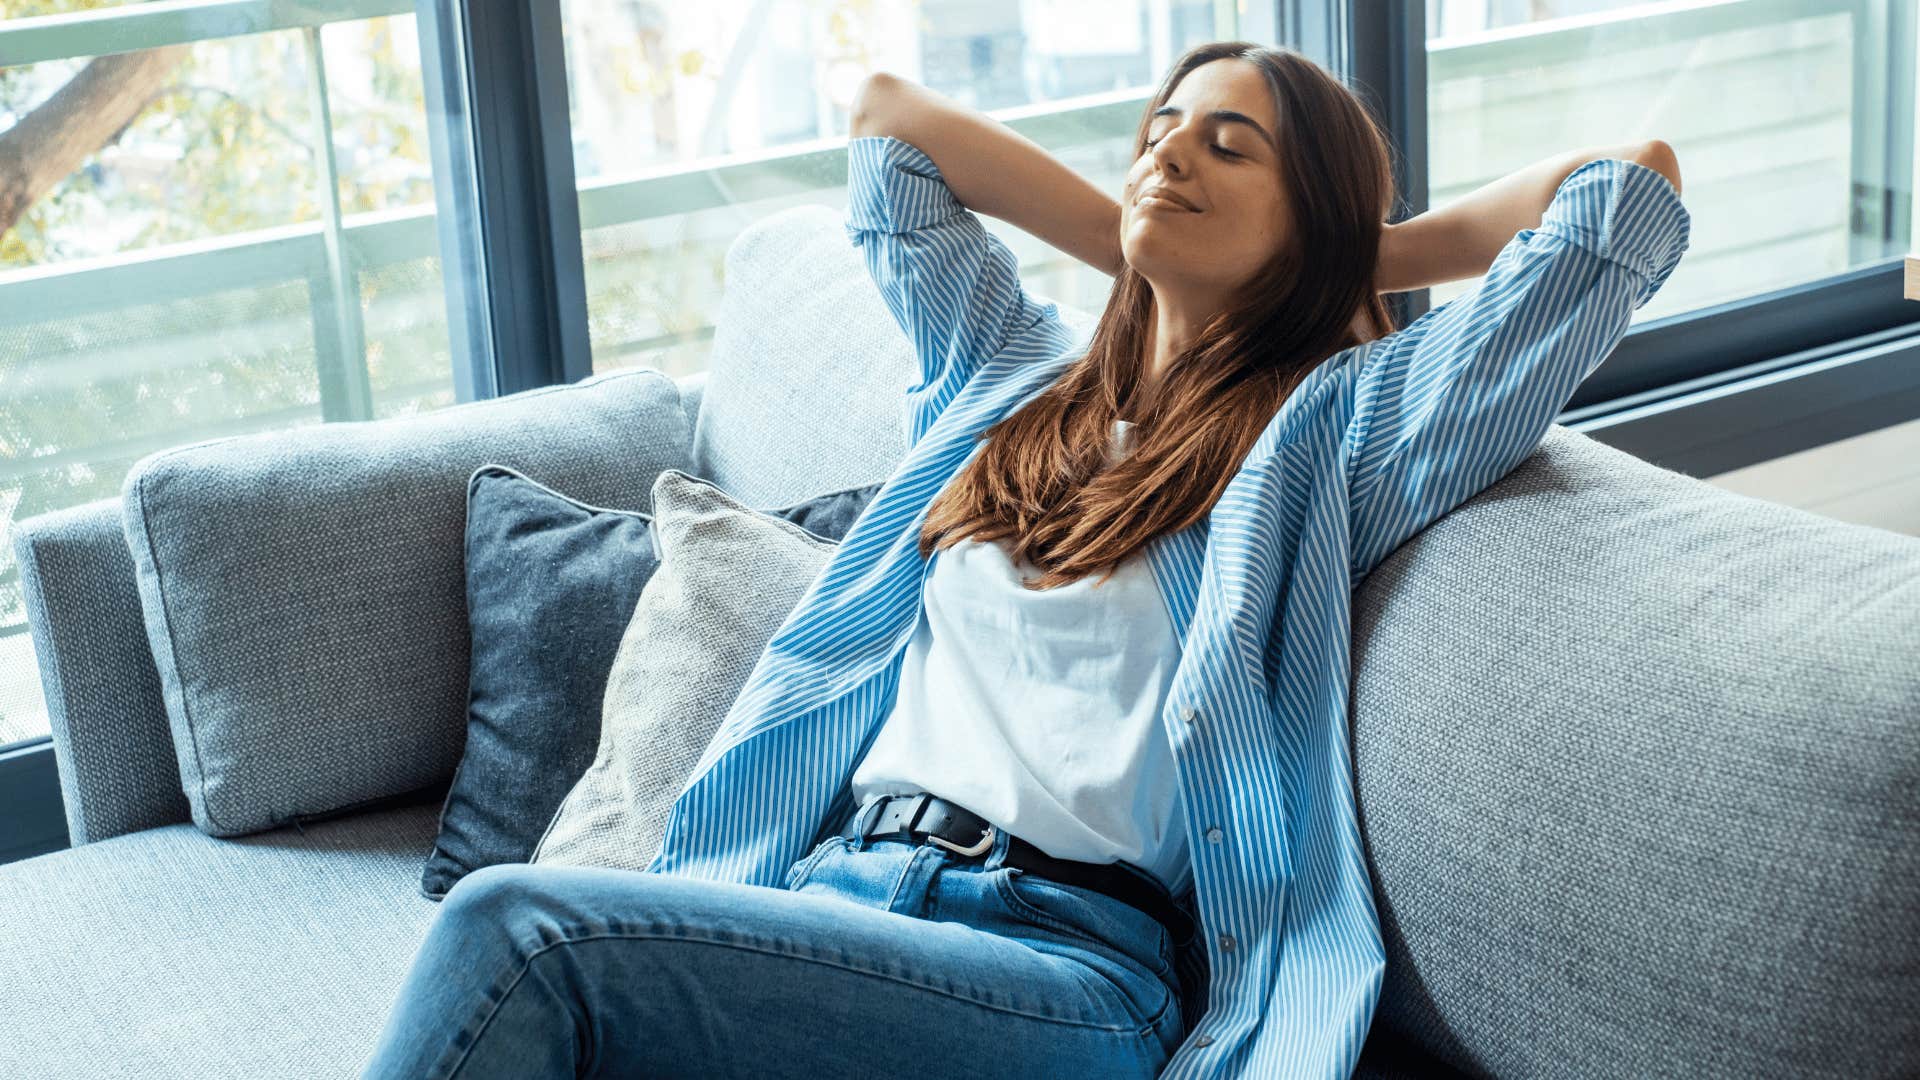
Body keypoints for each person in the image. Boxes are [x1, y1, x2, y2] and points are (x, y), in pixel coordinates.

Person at [361, 39, 1688, 1080]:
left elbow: (1623, 194)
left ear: (1317, 221)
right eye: (1158, 132)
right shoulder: (1009, 375)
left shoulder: (1336, 431)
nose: (1171, 154)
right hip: (833, 901)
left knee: (513, 932)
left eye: (1232, 147)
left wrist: (1361, 253)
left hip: (1056, 967)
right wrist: (1155, 219)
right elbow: (890, 126)